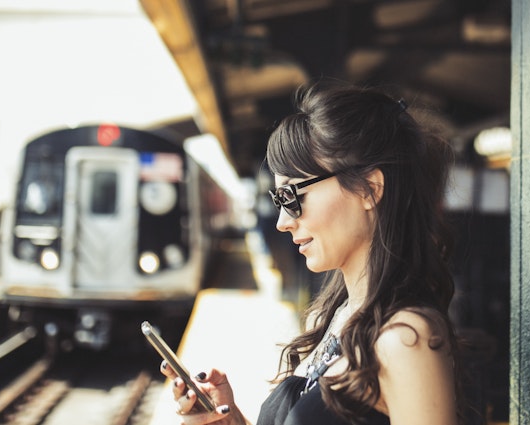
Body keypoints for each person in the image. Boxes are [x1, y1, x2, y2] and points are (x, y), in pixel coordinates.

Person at [160, 80, 462, 425]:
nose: (282, 222)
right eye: (277, 201)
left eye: (292, 197)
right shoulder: (335, 314)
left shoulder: (407, 340)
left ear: (369, 189)